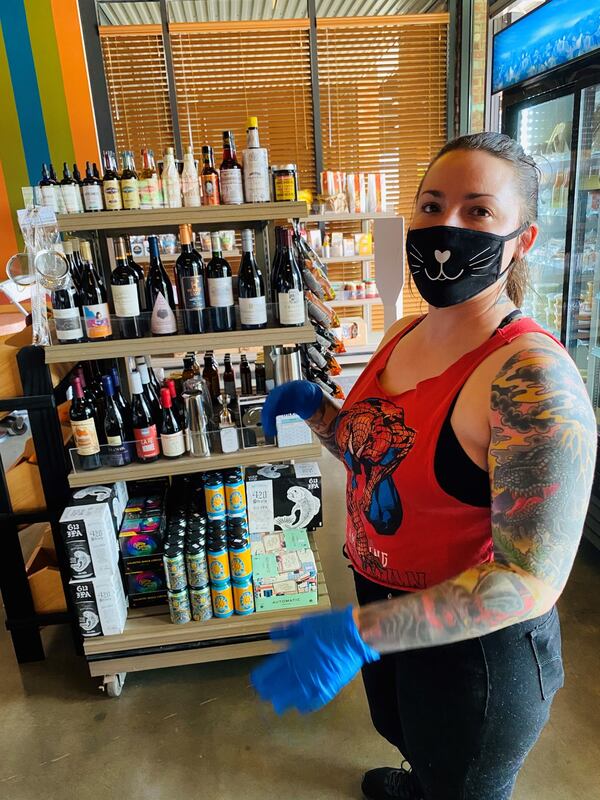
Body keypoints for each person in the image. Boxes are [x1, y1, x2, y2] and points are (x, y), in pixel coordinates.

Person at [252, 132, 597, 800]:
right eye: (432, 206)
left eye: (478, 211)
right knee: (408, 737)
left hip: (474, 656)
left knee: (460, 777)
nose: (447, 227)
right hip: (384, 611)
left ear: (522, 240)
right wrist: (321, 414)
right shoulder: (402, 333)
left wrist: (359, 634)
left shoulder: (531, 380)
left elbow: (529, 580)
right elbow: (382, 460)